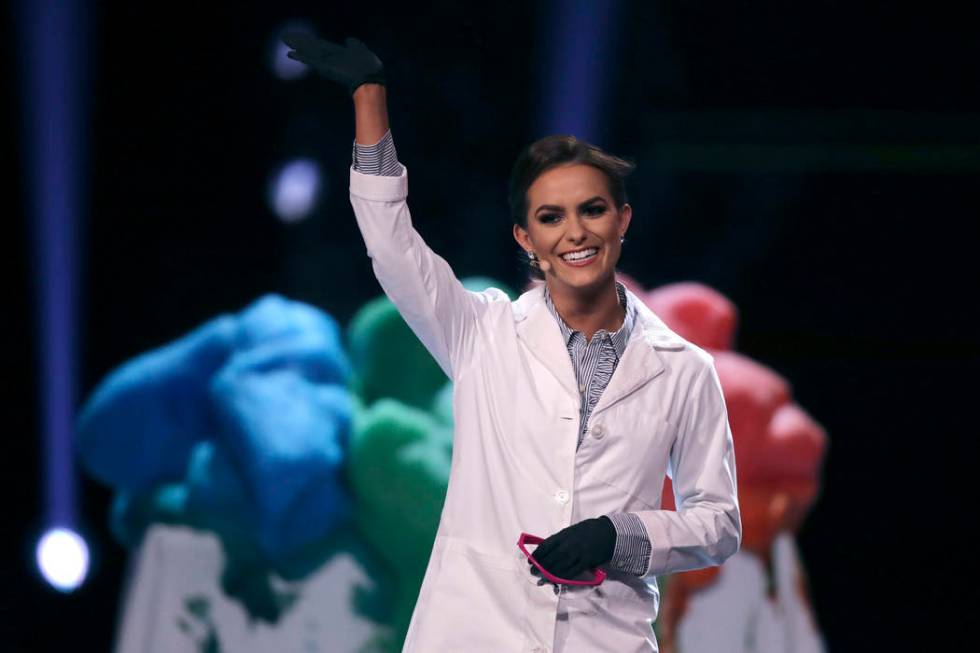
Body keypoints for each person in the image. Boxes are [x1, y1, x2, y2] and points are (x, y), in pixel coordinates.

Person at [284, 34, 741, 653]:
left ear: (622, 220)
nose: (575, 232)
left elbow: (717, 522)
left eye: (593, 210)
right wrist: (370, 99)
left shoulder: (683, 369)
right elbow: (393, 249)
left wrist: (620, 535)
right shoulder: (483, 333)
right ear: (525, 238)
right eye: (551, 217)